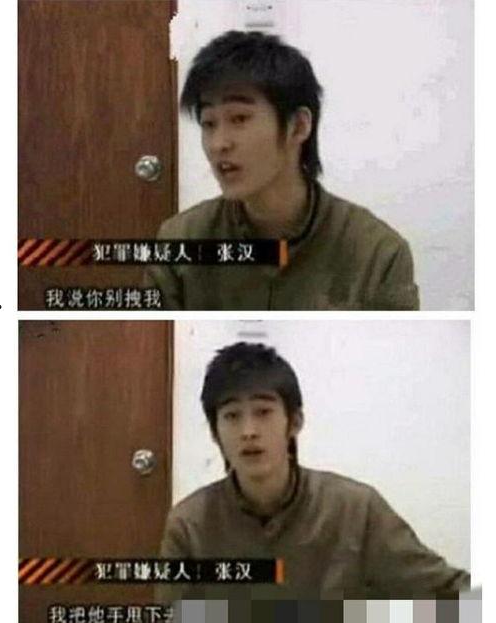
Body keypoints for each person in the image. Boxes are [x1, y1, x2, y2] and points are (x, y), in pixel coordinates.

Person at [156, 342, 469, 601]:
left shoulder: (357, 510)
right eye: (232, 416)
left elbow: (447, 592)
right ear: (215, 432)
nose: (248, 431)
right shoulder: (189, 525)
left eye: (263, 412)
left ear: (294, 422)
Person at [145, 30, 419, 311]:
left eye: (239, 119)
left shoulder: (378, 254)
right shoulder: (180, 240)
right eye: (208, 123)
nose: (218, 144)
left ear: (298, 126)